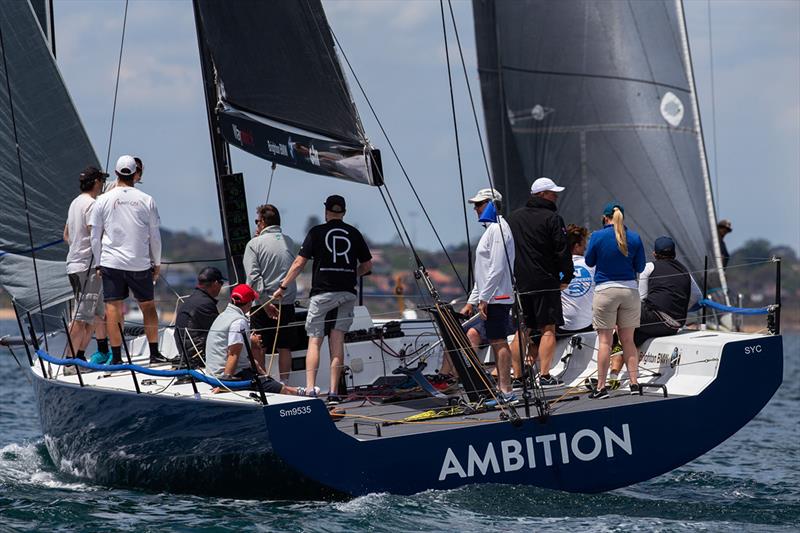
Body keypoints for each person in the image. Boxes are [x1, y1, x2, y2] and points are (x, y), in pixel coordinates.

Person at [271, 195, 372, 403]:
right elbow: (368, 266)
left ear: (326, 211)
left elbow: (299, 263)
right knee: (337, 342)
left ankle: (310, 390)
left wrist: (282, 287)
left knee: (315, 341)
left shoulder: (316, 232)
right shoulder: (354, 233)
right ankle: (334, 393)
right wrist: (352, 275)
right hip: (347, 293)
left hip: (322, 293)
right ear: (344, 212)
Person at [90, 155, 164, 365]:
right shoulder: (147, 199)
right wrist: (156, 263)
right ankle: (154, 354)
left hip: (111, 262)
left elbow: (95, 236)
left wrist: (98, 263)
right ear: (135, 174)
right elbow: (155, 236)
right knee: (148, 306)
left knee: (112, 308)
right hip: (139, 262)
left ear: (115, 174)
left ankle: (117, 357)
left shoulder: (103, 199)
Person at [507, 177, 573, 387]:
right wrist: (567, 276)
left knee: (522, 329)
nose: (556, 196)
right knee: (547, 328)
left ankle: (517, 377)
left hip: (521, 283)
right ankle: (544, 376)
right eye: (553, 193)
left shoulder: (512, 219)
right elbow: (562, 250)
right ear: (542, 194)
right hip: (546, 281)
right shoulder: (553, 218)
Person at [584, 201, 646, 398]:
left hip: (605, 291)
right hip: (629, 291)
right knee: (628, 340)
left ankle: (601, 387)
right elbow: (641, 267)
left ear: (605, 217)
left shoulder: (597, 236)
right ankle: (635, 383)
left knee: (605, 342)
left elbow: (589, 261)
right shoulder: (634, 238)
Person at [459, 188, 516, 397]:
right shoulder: (491, 230)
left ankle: (506, 390)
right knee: (495, 340)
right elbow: (483, 273)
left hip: (497, 297)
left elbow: (498, 267)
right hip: (492, 296)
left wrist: (484, 299)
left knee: (498, 341)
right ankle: (503, 389)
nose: (475, 208)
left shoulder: (499, 229)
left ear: (492, 204)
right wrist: (471, 301)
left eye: (479, 203)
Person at [204, 284, 300, 395]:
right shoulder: (239, 322)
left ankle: (300, 391)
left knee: (270, 382)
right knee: (283, 390)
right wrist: (225, 385)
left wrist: (250, 342)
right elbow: (233, 354)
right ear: (250, 303)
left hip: (212, 375)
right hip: (230, 377)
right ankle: (304, 395)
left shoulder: (223, 316)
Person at [243, 204, 297, 381]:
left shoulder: (254, 244)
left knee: (259, 345)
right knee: (285, 346)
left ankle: (264, 382)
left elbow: (253, 278)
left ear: (264, 222)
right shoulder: (289, 241)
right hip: (287, 302)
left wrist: (266, 304)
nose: (256, 225)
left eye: (257, 221)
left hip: (262, 303)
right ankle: (285, 382)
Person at [64, 166, 110, 363]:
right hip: (88, 268)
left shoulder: (75, 203)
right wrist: (100, 262)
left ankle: (81, 357)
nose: (103, 185)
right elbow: (94, 235)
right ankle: (69, 361)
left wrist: (77, 246)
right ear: (97, 182)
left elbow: (65, 235)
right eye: (102, 181)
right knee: (81, 318)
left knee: (96, 314)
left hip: (74, 265)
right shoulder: (91, 204)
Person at [633, 236, 702, 346]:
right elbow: (697, 296)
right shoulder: (685, 271)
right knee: (635, 337)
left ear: (654, 254)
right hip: (673, 326)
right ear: (674, 254)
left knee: (623, 310)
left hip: (653, 320)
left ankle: (615, 347)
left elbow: (641, 298)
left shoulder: (648, 267)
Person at [173, 266, 225, 368]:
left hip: (186, 353)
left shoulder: (193, 299)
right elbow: (218, 333)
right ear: (215, 284)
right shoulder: (205, 303)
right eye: (221, 283)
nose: (221, 287)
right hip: (196, 358)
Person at [559, 224, 595, 336]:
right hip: (588, 326)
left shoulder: (556, 266)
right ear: (576, 246)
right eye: (583, 244)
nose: (585, 248)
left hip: (563, 328)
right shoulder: (593, 266)